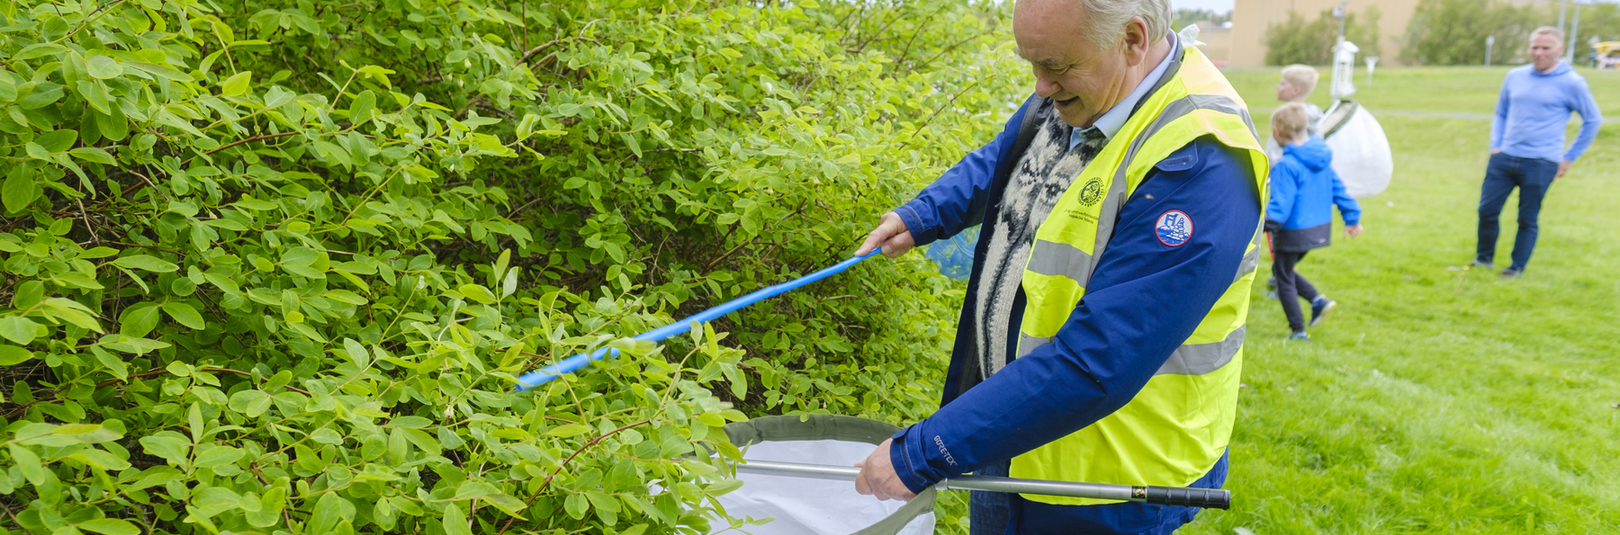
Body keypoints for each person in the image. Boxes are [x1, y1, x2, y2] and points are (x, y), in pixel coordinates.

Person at [848, 0, 1268, 532]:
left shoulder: (1200, 160)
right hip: (1010, 426)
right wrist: (926, 214)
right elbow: (1016, 152)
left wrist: (924, 452)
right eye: (1033, 64)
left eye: (1055, 66)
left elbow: (1101, 358)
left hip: (1103, 480)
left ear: (1133, 39)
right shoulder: (1085, 82)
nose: (1041, 86)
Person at [1475, 26, 1602, 279]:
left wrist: (1568, 158)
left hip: (1541, 162)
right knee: (1486, 211)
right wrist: (1496, 144)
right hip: (1504, 157)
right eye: (1534, 47)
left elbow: (1593, 120)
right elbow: (1501, 112)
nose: (1539, 53)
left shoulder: (1572, 82)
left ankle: (1515, 268)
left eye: (1546, 48)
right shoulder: (1515, 75)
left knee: (1527, 218)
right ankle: (1483, 260)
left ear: (1559, 50)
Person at [1265, 103, 1362, 341]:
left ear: (1276, 132)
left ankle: (1298, 331)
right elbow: (1339, 189)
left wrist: (1264, 224)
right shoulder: (1321, 159)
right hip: (1318, 230)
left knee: (1283, 278)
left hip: (1292, 231)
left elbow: (1281, 204)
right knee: (1283, 270)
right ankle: (1318, 301)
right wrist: (1352, 218)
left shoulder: (1286, 166)